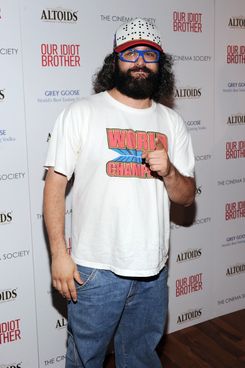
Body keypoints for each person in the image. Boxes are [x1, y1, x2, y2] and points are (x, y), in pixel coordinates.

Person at [43, 18, 196, 368]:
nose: (140, 61)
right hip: (95, 271)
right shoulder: (81, 113)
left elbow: (186, 196)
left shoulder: (172, 123)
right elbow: (55, 184)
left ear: (161, 64)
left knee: (141, 359)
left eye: (149, 54)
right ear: (116, 61)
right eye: (130, 53)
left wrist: (170, 171)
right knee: (85, 360)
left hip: (153, 271)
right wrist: (58, 254)